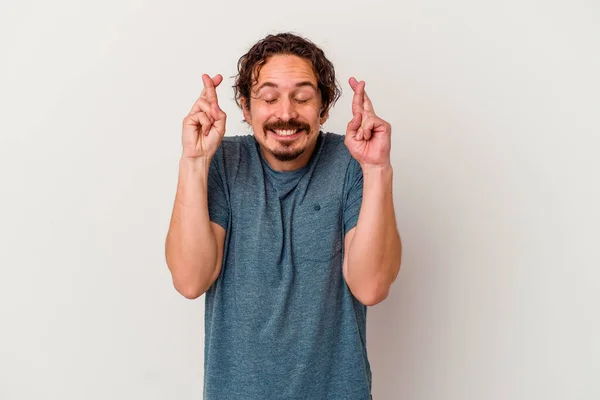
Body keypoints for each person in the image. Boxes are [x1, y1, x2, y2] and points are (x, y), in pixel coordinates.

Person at [165, 32, 402, 400]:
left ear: (323, 108)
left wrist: (377, 169)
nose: (286, 113)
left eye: (303, 97)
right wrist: (194, 162)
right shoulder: (223, 163)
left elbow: (370, 287)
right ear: (245, 108)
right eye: (269, 98)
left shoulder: (352, 162)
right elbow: (190, 280)